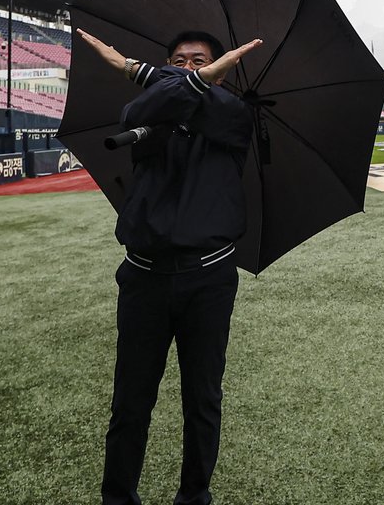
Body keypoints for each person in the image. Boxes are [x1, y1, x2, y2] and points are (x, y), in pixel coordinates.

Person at [78, 28, 263, 505]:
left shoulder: (235, 114)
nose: (187, 67)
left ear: (221, 73)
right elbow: (137, 112)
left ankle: (194, 496)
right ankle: (118, 498)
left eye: (199, 61)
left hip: (209, 279)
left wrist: (134, 68)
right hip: (142, 277)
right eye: (177, 60)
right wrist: (173, 81)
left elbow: (206, 105)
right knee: (130, 403)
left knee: (202, 400)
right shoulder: (146, 114)